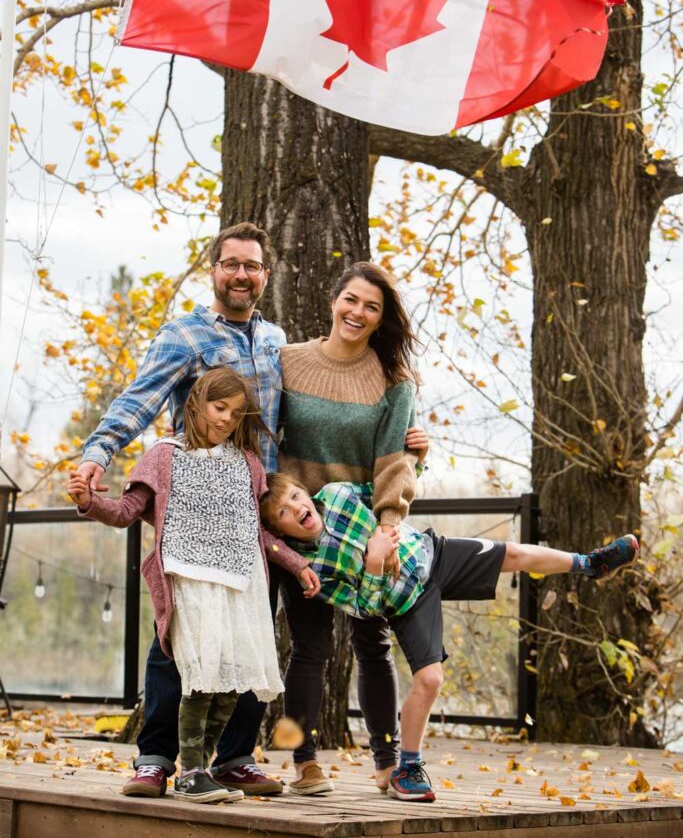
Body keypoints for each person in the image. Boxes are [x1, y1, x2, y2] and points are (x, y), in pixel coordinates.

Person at [75, 225, 425, 798]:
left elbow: (311, 420)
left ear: (266, 275)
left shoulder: (274, 342)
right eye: (230, 264)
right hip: (190, 516)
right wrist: (98, 454)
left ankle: (235, 755)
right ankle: (156, 757)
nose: (241, 274)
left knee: (249, 634)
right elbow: (138, 400)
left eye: (252, 266)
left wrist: (413, 450)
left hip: (253, 518)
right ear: (213, 269)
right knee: (176, 639)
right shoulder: (185, 334)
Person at [261, 473, 640, 803]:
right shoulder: (315, 571)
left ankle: (590, 564)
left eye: (296, 496)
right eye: (283, 512)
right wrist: (374, 563)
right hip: (406, 600)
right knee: (430, 679)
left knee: (515, 553)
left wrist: (417, 458)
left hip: (433, 554)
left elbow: (390, 492)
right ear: (279, 532)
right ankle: (408, 767)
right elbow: (364, 607)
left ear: (306, 493)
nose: (295, 508)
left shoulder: (339, 493)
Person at [67, 367, 317, 803]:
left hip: (241, 587)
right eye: (220, 408)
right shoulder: (164, 456)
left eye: (236, 414)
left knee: (228, 689)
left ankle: (204, 768)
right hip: (190, 584)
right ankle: (185, 772)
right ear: (197, 403)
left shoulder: (247, 464)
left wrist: (296, 564)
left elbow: (256, 531)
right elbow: (127, 510)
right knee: (200, 683)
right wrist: (89, 503)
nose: (225, 419)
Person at [273, 262, 427, 795]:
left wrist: (387, 531)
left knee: (372, 644)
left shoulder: (392, 381)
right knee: (309, 647)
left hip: (363, 532)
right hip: (304, 531)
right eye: (351, 300)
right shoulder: (286, 361)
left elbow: (393, 464)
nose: (357, 313)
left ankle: (387, 764)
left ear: (382, 319)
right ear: (334, 300)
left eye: (372, 307)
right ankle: (304, 764)